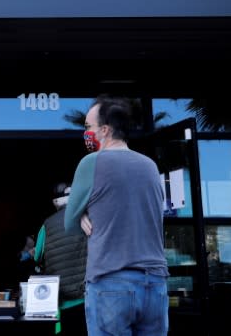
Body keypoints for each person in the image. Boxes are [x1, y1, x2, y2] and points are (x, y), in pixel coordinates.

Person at [65, 95, 169, 336]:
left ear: (104, 130)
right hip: (155, 284)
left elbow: (69, 223)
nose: (86, 133)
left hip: (111, 282)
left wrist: (81, 214)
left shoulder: (91, 162)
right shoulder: (150, 165)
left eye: (88, 127)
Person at [34, 182, 87, 336]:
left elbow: (37, 256)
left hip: (61, 301)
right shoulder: (86, 218)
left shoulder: (47, 225)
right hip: (86, 297)